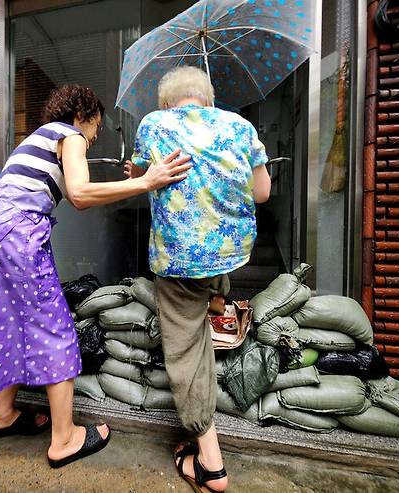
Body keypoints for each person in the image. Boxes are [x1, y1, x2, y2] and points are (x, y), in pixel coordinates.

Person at [0, 84, 191, 468]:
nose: (92, 140)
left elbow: (69, 185)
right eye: (96, 128)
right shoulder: (69, 135)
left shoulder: (36, 139)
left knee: (12, 325)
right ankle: (64, 439)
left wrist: (129, 177)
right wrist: (145, 182)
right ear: (81, 116)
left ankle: (3, 413)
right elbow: (79, 193)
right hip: (16, 235)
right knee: (55, 329)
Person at [125, 66, 271, 493]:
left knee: (185, 347)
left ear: (168, 102)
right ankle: (217, 301)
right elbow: (261, 193)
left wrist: (136, 171)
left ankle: (210, 463)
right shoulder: (240, 125)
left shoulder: (155, 124)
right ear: (207, 98)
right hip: (230, 252)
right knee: (211, 279)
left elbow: (137, 178)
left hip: (179, 258)